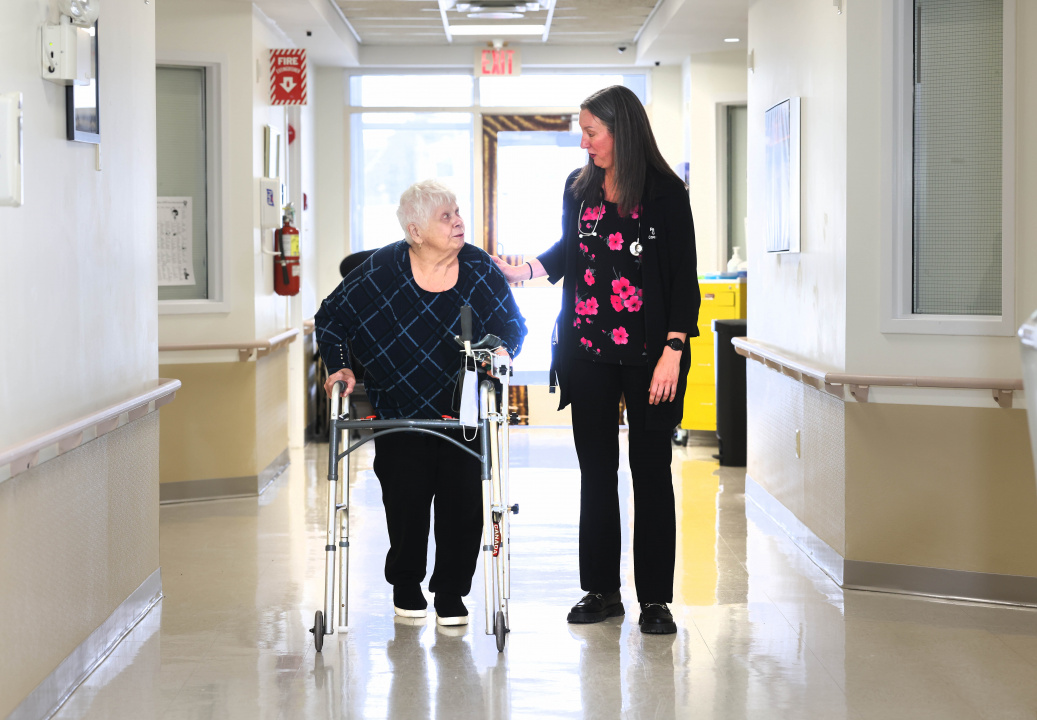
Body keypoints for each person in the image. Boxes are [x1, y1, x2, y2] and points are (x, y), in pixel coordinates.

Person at [493, 85, 700, 635]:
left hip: (652, 356)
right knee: (597, 473)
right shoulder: (579, 187)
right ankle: (602, 591)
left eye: (592, 132)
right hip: (586, 351)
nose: (584, 144)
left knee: (651, 473)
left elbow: (684, 281)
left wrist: (674, 350)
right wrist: (526, 270)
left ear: (622, 130)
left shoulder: (664, 192)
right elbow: (571, 251)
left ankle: (655, 600)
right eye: (583, 133)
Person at [316, 179, 527, 626]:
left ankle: (451, 591)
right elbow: (331, 317)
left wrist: (500, 351)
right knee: (405, 501)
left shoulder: (478, 269)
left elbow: (513, 326)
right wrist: (338, 366)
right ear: (415, 230)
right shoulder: (381, 271)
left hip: (463, 409)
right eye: (445, 216)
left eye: (457, 212)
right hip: (399, 408)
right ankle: (406, 584)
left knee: (463, 502)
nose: (458, 222)